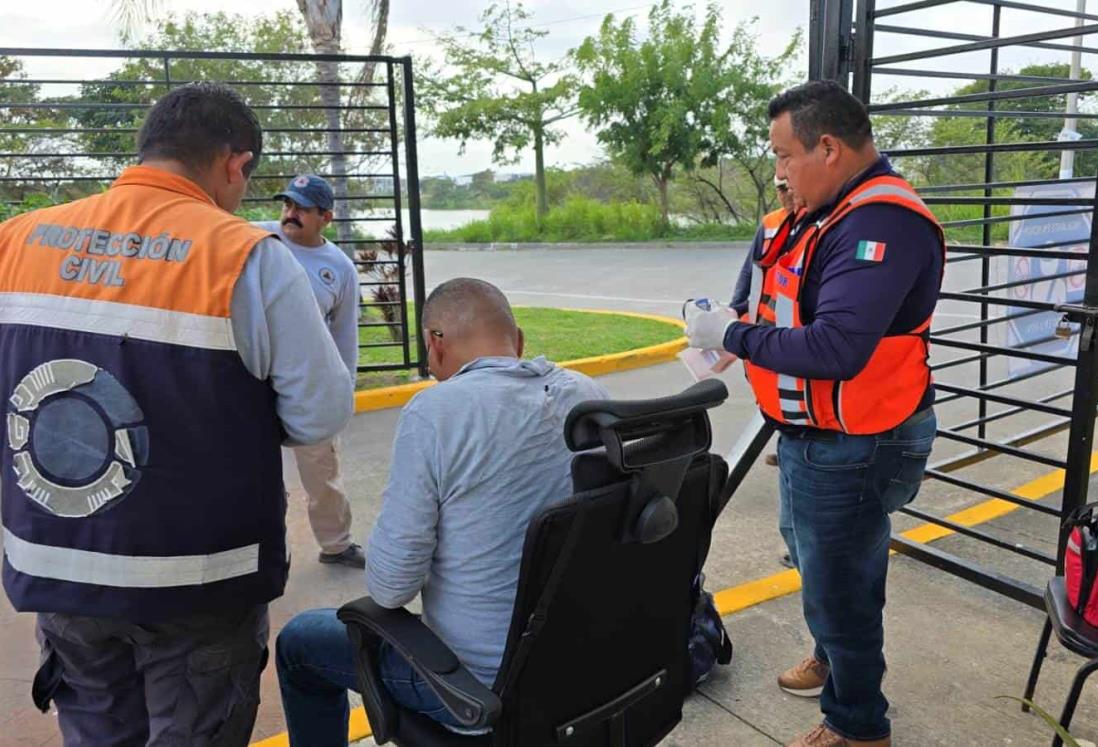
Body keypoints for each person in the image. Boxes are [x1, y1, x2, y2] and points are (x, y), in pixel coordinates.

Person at [0, 82, 354, 745]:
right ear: (233, 163)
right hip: (199, 580)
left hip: (58, 566)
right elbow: (319, 413)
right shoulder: (246, 257)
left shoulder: (15, 241)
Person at [686, 80, 943, 747]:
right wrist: (731, 326)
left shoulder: (883, 221)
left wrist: (731, 338)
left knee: (840, 579)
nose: (778, 172)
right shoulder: (820, 213)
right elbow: (777, 303)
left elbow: (837, 346)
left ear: (828, 147)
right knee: (821, 557)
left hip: (861, 437)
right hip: (810, 433)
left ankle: (858, 725)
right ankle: (834, 654)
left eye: (784, 155)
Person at [275, 278, 608, 745]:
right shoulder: (585, 391)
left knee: (299, 643)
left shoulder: (436, 412)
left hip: (478, 689)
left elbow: (390, 590)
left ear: (435, 343)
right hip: (581, 664)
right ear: (518, 341)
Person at [256, 174, 365, 568]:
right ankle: (264, 550)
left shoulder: (339, 269)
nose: (290, 214)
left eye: (302, 208)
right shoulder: (255, 238)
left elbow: (344, 335)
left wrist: (342, 391)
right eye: (287, 205)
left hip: (306, 383)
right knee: (255, 474)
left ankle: (336, 544)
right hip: (253, 377)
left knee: (322, 471)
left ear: (326, 217)